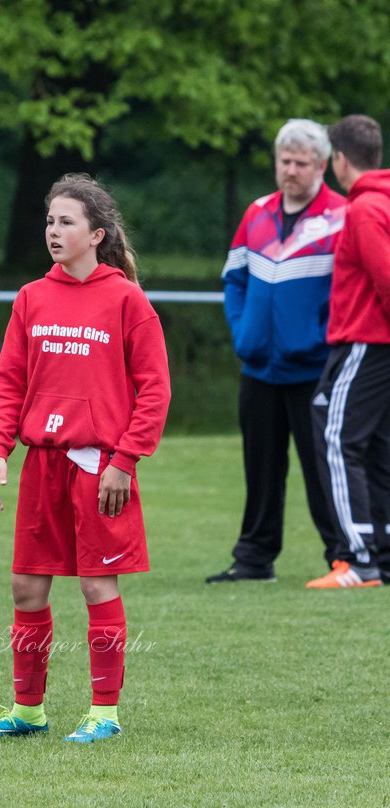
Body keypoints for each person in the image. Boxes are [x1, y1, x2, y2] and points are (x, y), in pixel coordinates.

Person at [0, 174, 171, 743]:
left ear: (97, 234)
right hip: (43, 465)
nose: (54, 230)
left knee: (97, 587)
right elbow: (10, 379)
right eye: (50, 221)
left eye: (67, 222)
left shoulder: (126, 299)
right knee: (26, 588)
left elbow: (155, 391)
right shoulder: (32, 296)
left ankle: (105, 712)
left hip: (101, 467)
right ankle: (27, 710)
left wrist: (124, 463)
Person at [207, 119, 347, 584]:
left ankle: (345, 557)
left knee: (324, 470)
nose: (290, 170)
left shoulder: (342, 217)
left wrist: (325, 339)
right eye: (284, 161)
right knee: (260, 469)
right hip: (259, 366)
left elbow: (349, 291)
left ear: (322, 166)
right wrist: (242, 330)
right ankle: (254, 558)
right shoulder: (258, 213)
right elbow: (235, 281)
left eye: (300, 163)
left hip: (316, 369)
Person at [307, 114, 390, 589]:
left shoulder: (364, 209)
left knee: (339, 441)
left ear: (339, 159)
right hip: (371, 344)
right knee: (377, 445)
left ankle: (358, 560)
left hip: (366, 341)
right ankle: (381, 550)